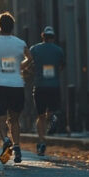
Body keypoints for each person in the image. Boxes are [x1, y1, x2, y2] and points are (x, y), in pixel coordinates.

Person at [0, 12, 31, 164]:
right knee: (15, 120)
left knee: (0, 121)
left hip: (0, 86)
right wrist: (19, 66)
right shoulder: (21, 43)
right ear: (12, 26)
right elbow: (30, 58)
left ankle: (5, 139)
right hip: (17, 85)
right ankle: (16, 148)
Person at [29, 26, 65, 156]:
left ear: (42, 36)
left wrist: (35, 71)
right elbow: (61, 66)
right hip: (53, 86)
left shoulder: (34, 49)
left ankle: (42, 141)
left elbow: (29, 64)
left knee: (40, 116)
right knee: (51, 112)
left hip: (40, 86)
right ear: (53, 37)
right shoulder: (59, 50)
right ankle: (52, 118)